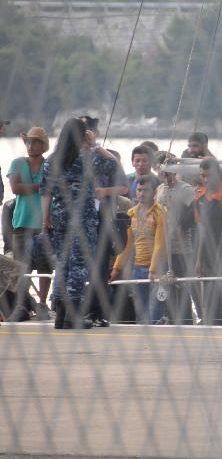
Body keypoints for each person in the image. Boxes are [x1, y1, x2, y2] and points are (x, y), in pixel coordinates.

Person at [42, 118, 118, 329]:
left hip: (59, 217)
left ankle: (60, 314)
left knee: (62, 265)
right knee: (79, 266)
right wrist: (95, 145)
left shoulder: (51, 160)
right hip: (82, 218)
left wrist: (45, 219)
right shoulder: (87, 158)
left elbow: (45, 192)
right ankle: (72, 315)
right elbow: (113, 164)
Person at [80, 116, 128, 327]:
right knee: (79, 267)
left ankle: (97, 311)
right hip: (80, 220)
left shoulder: (105, 157)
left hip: (101, 219)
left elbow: (123, 185)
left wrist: (104, 191)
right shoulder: (70, 157)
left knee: (99, 268)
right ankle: (77, 309)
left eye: (88, 130)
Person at [6, 127, 54, 321]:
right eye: (28, 142)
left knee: (45, 265)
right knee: (21, 266)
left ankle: (42, 304)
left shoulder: (49, 165)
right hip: (22, 222)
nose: (30, 146)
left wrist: (36, 189)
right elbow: (16, 188)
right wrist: (39, 187)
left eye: (35, 142)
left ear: (43, 145)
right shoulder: (17, 163)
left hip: (43, 223)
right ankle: (21, 304)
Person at [112, 176, 168, 324]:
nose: (142, 193)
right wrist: (116, 268)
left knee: (155, 314)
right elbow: (127, 244)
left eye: (146, 190)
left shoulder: (161, 212)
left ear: (154, 192)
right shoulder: (131, 213)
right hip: (138, 268)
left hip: (158, 269)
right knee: (141, 315)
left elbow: (159, 243)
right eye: (139, 190)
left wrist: (153, 269)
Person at [193, 159, 222, 325]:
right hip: (208, 252)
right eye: (202, 176)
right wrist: (199, 259)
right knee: (210, 294)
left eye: (209, 175)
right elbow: (201, 231)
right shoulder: (199, 198)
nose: (205, 179)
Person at [156, 163, 198, 325]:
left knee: (182, 284)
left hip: (182, 246)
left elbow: (194, 211)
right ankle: (168, 315)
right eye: (164, 174)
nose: (167, 177)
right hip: (164, 244)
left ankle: (185, 318)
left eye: (170, 173)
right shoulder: (160, 189)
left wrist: (182, 226)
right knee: (166, 283)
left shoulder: (186, 189)